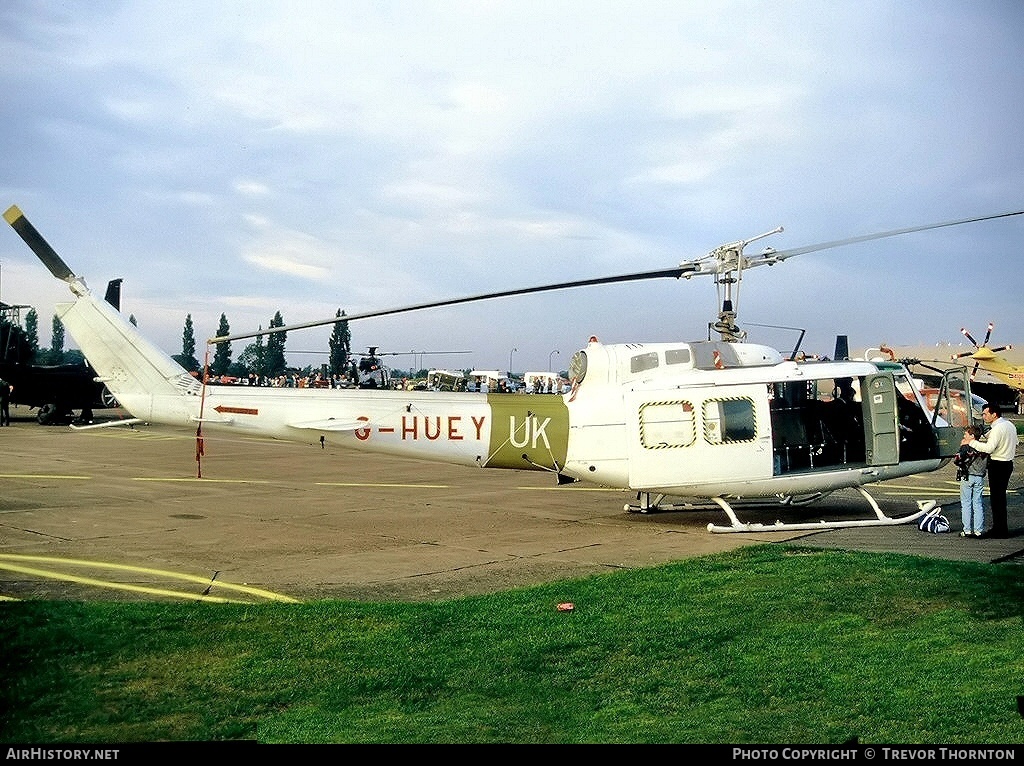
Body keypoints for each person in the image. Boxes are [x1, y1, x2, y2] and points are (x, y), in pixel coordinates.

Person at [961, 402, 1019, 538]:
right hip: (1007, 463)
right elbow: (1013, 441)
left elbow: (989, 448)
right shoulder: (1009, 425)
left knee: (996, 499)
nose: (983, 416)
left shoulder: (998, 429)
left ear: (994, 414)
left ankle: (1000, 530)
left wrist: (971, 443)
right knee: (1000, 498)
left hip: (998, 464)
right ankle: (1000, 528)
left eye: (985, 414)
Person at [954, 425, 987, 537]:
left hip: (967, 476)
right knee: (978, 503)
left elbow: (957, 460)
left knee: (966, 503)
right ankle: (978, 530)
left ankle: (967, 530)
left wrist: (961, 447)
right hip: (979, 477)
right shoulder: (984, 448)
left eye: (966, 434)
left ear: (972, 436)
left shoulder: (965, 447)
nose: (964, 436)